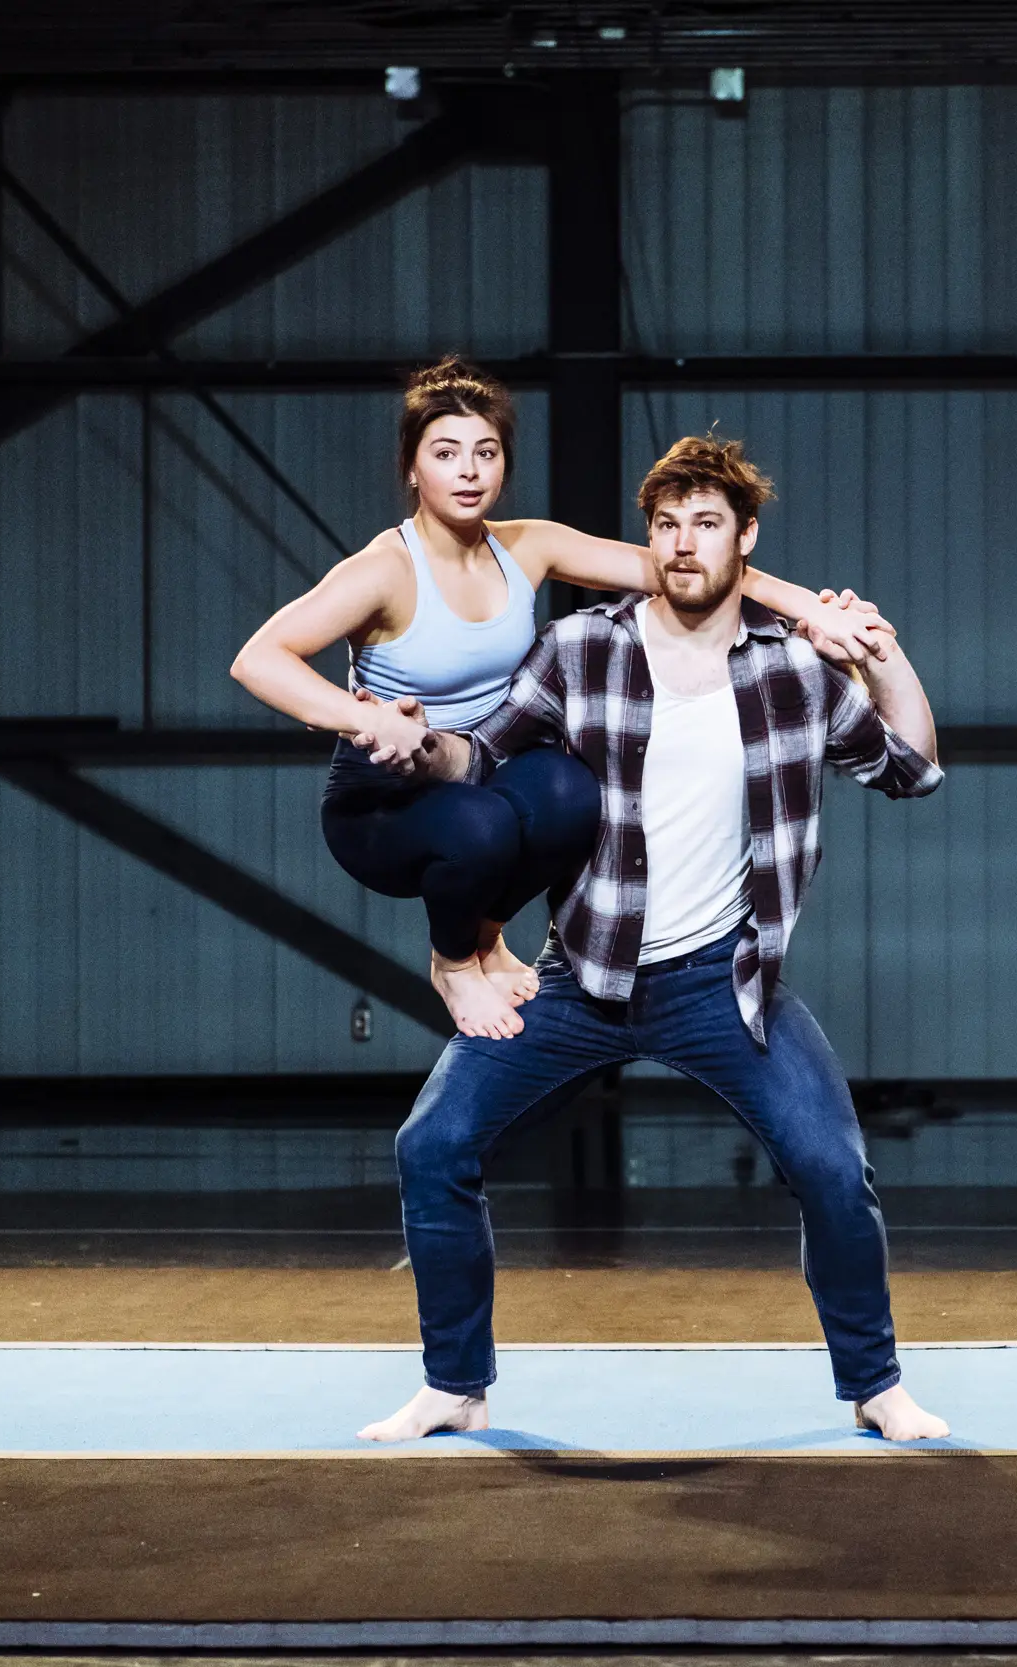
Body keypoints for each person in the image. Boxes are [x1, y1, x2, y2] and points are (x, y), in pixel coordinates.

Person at [353, 432, 953, 1444]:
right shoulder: (583, 649)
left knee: (831, 1167)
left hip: (725, 984)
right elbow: (483, 753)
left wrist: (886, 657)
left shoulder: (793, 674)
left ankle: (874, 1382)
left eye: (706, 524)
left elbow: (911, 768)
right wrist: (420, 739)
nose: (683, 543)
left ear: (743, 539)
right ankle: (455, 1381)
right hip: (581, 976)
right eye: (667, 525)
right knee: (433, 1143)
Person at [230, 358, 896, 1039]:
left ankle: (487, 933)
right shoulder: (384, 571)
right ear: (412, 468)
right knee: (481, 825)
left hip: (482, 770)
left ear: (503, 465)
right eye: (446, 453)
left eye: (485, 453)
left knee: (575, 791)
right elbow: (258, 659)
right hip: (384, 801)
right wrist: (363, 716)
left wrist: (813, 611)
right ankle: (454, 962)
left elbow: (675, 570)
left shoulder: (527, 547)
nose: (468, 471)